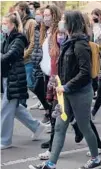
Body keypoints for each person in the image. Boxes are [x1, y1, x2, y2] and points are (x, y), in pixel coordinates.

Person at [29, 11, 101, 169]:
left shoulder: (81, 44)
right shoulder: (69, 41)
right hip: (67, 93)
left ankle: (96, 158)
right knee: (59, 127)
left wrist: (66, 86)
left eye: (64, 20)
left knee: (84, 127)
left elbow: (85, 73)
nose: (61, 22)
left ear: (72, 23)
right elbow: (66, 68)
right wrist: (58, 82)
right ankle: (50, 164)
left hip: (80, 93)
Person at [1, 11, 46, 150]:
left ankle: (5, 140)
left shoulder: (19, 38)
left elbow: (10, 55)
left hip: (15, 78)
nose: (3, 26)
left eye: (5, 23)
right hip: (8, 77)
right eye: (2, 23)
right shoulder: (7, 37)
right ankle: (37, 127)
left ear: (13, 25)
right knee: (14, 108)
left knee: (6, 109)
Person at [15, 2, 37, 105]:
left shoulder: (31, 22)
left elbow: (33, 42)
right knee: (22, 84)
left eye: (18, 11)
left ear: (23, 10)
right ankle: (22, 105)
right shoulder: (21, 23)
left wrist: (24, 54)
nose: (17, 13)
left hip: (29, 59)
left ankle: (46, 101)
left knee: (30, 84)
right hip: (21, 59)